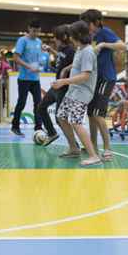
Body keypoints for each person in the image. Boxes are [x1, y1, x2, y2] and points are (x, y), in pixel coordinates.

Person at [52, 20, 101, 166]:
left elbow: (86, 75)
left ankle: (93, 155)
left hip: (82, 93)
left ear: (78, 35)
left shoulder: (87, 51)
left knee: (75, 122)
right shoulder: (80, 49)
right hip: (73, 91)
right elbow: (78, 64)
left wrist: (64, 81)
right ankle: (74, 148)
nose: (70, 39)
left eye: (72, 36)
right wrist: (68, 68)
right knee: (61, 116)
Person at [80, 9, 126, 161]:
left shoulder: (105, 32)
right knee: (91, 114)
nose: (87, 27)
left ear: (97, 22)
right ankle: (92, 145)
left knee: (98, 114)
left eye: (89, 24)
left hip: (106, 78)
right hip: (94, 79)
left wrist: (104, 45)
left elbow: (122, 46)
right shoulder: (90, 36)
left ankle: (107, 149)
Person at [37, 24, 75, 146]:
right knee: (41, 108)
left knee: (60, 119)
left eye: (56, 38)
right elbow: (61, 56)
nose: (55, 40)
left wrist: (65, 71)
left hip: (64, 88)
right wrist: (50, 50)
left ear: (63, 37)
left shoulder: (71, 50)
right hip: (56, 87)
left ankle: (75, 146)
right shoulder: (62, 50)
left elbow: (77, 64)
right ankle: (52, 133)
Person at [10, 20, 43, 136]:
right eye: (34, 31)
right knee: (22, 102)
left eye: (38, 31)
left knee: (39, 103)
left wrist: (39, 66)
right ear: (29, 28)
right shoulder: (22, 40)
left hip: (36, 79)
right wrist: (29, 67)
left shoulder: (39, 41)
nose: (36, 34)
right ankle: (15, 126)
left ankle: (38, 127)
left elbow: (37, 58)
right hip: (24, 78)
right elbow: (16, 58)